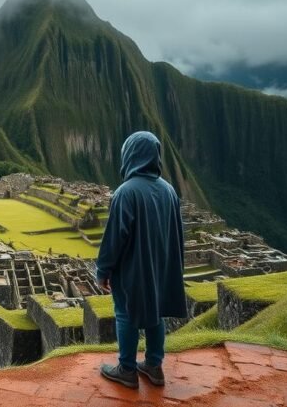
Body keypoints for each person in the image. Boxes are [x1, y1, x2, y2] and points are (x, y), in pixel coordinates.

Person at [96, 131, 187, 388]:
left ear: (130, 154)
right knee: (156, 313)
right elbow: (177, 234)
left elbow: (115, 238)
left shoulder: (126, 192)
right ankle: (154, 366)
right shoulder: (169, 190)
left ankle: (126, 369)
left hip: (133, 268)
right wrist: (174, 268)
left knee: (125, 313)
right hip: (162, 267)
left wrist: (103, 270)